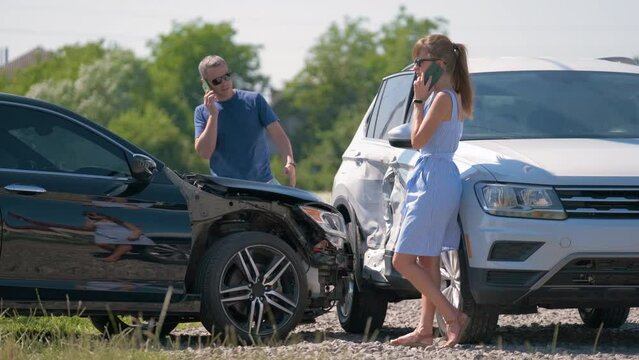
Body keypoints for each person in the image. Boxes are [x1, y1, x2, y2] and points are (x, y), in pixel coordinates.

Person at [389, 34, 474, 348]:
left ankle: (453, 315)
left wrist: (417, 101)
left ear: (439, 64)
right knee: (427, 260)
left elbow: (417, 141)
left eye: (420, 62)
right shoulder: (450, 96)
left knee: (402, 260)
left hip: (434, 179)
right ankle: (424, 330)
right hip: (436, 176)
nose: (415, 69)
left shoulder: (439, 98)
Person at [194, 55, 297, 186]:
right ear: (205, 84)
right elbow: (204, 153)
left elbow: (279, 136)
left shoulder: (254, 100)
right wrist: (213, 116)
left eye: (226, 76)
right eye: (217, 81)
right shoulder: (201, 112)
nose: (224, 82)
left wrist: (289, 161)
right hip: (225, 189)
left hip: (264, 183)